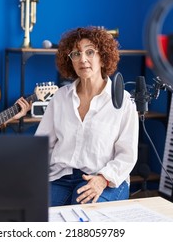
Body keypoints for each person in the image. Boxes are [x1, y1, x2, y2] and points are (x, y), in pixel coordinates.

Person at [35, 26, 139, 206]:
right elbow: (42, 145)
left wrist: (103, 179)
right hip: (60, 177)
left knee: (80, 214)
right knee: (37, 211)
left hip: (104, 178)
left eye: (90, 52)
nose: (82, 59)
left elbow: (127, 155)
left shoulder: (124, 102)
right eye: (75, 54)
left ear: (103, 57)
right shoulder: (60, 97)